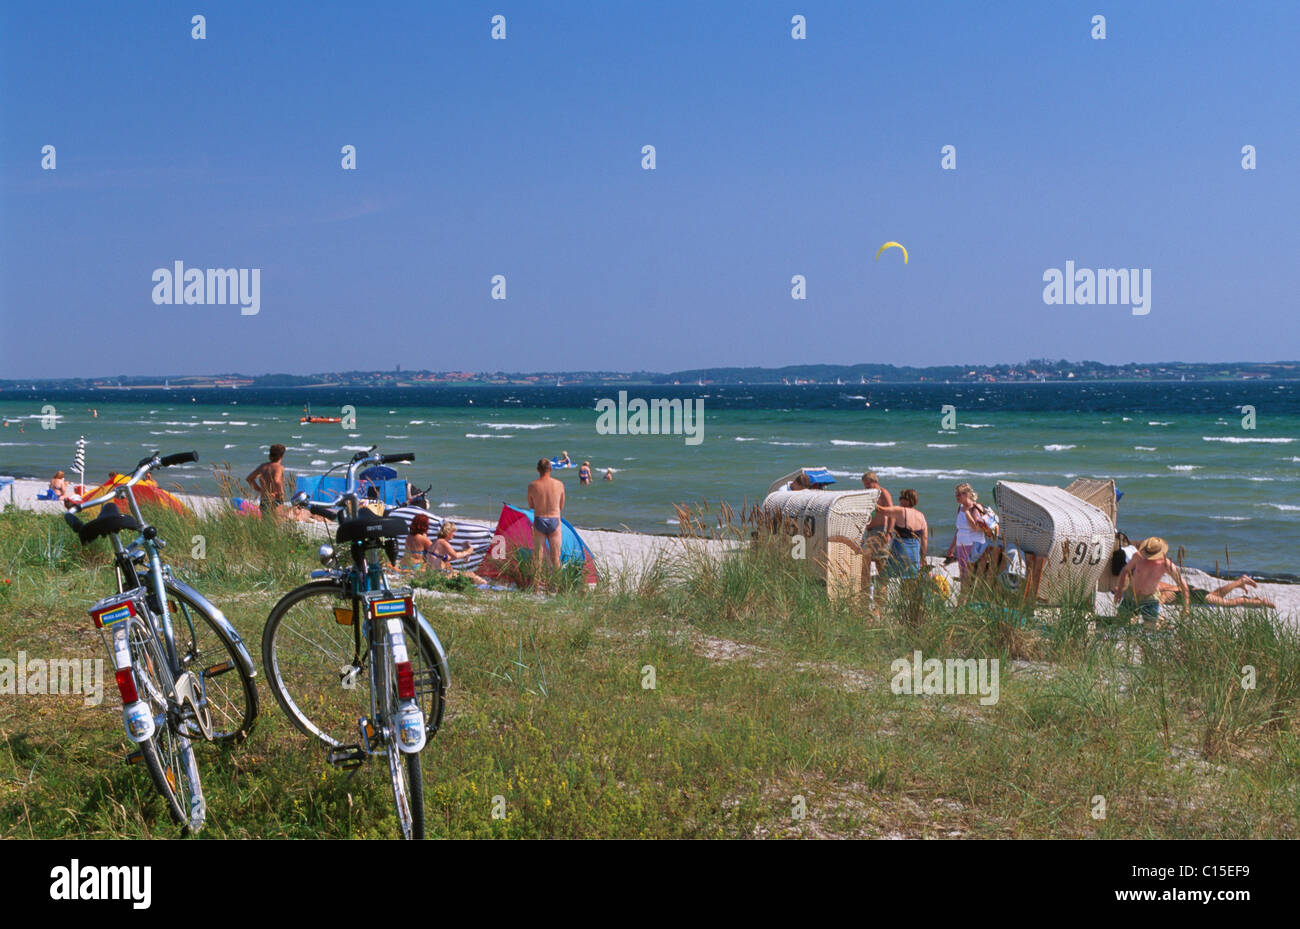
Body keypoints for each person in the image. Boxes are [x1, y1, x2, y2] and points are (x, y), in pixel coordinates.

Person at [1112, 536, 1188, 625]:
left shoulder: (1166, 563)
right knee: (1120, 623)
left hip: (1150, 598)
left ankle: (1159, 621)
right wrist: (1119, 590)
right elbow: (1125, 570)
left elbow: (1183, 584)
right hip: (1131, 595)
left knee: (1150, 628)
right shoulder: (1138, 557)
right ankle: (1148, 620)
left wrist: (1186, 607)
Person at [944, 483, 995, 587]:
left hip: (973, 546)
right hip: (961, 545)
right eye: (956, 494)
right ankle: (964, 599)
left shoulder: (975, 508)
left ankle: (966, 598)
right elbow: (959, 529)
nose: (956, 497)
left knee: (971, 575)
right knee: (963, 575)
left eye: (959, 494)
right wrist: (951, 548)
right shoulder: (960, 508)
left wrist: (967, 513)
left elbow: (976, 528)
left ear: (967, 494)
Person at [873, 488, 928, 578]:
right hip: (914, 555)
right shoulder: (921, 516)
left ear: (906, 500)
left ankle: (879, 592)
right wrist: (923, 558)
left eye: (901, 497)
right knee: (909, 582)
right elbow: (925, 539)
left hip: (900, 552)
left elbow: (880, 510)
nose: (899, 500)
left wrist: (869, 500)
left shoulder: (901, 511)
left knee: (884, 578)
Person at [527, 458, 566, 570]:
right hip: (554, 519)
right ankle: (557, 587)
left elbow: (531, 505)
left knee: (537, 557)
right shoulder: (559, 484)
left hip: (539, 519)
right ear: (551, 468)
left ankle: (536, 587)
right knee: (556, 559)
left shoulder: (532, 486)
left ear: (538, 470)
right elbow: (561, 505)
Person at [1159, 575, 1275, 609]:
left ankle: (1260, 602)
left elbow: (1165, 595)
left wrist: (1159, 604)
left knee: (1228, 603)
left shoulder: (1156, 590)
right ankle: (1240, 582)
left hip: (1194, 595)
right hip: (1191, 590)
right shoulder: (1154, 584)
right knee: (1217, 594)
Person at [860, 471, 896, 581]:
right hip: (868, 531)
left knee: (880, 561)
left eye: (867, 484)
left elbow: (892, 513)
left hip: (880, 530)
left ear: (874, 481)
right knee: (865, 560)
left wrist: (888, 533)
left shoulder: (883, 493)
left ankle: (881, 591)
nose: (865, 487)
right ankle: (866, 590)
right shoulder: (869, 493)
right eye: (864, 484)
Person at [246, 444, 287, 516]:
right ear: (282, 456)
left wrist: (260, 490)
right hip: (275, 500)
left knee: (265, 523)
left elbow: (249, 479)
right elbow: (276, 480)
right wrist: (281, 493)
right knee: (276, 523)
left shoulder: (263, 466)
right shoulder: (279, 467)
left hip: (264, 499)